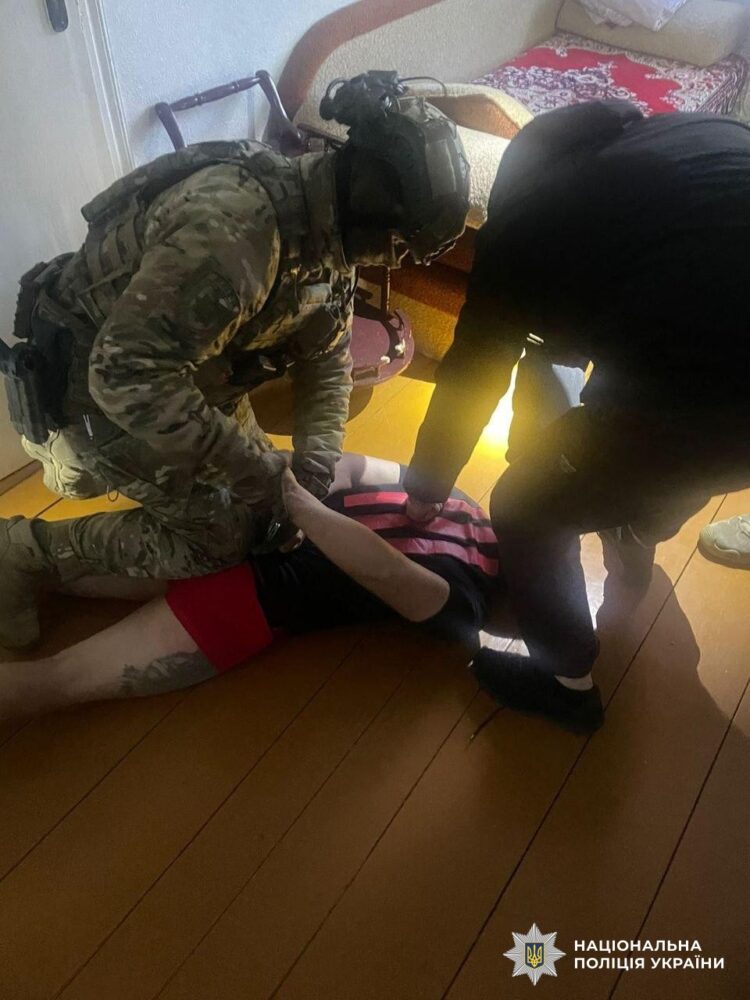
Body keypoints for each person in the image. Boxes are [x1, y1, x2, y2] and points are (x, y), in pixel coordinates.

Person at [0, 71, 470, 649]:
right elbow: (123, 376)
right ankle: (22, 552)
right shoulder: (235, 236)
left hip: (189, 380)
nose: (395, 261)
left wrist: (313, 471)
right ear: (373, 202)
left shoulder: (325, 220)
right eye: (398, 243)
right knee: (219, 541)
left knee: (266, 519)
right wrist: (262, 474)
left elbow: (327, 357)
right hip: (99, 393)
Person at [404, 100, 750, 733]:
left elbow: (472, 375)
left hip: (712, 396)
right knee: (678, 457)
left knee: (525, 505)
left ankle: (564, 683)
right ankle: (638, 526)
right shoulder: (693, 131)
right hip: (713, 373)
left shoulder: (525, 230)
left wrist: (426, 485)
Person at [0, 454, 502, 723]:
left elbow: (389, 571)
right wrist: (280, 479)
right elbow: (350, 469)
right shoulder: (456, 505)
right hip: (239, 572)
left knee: (52, 636)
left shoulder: (465, 600)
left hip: (244, 579)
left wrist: (292, 494)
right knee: (55, 665)